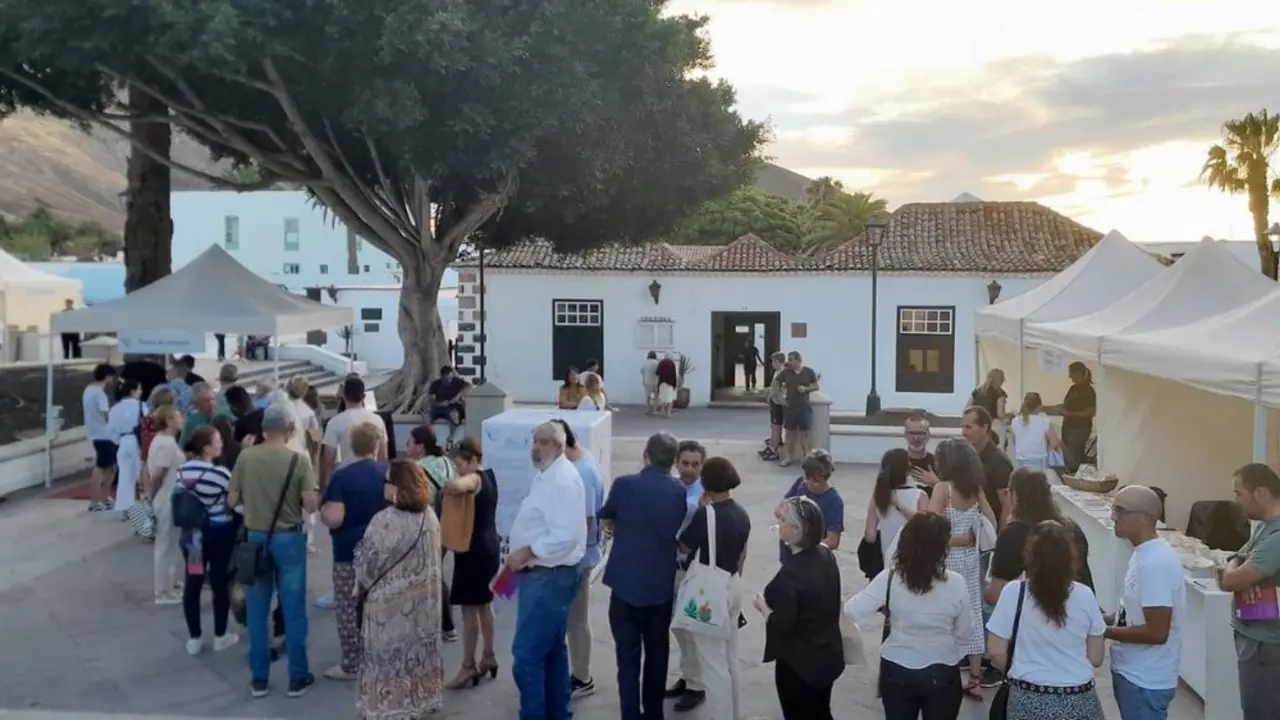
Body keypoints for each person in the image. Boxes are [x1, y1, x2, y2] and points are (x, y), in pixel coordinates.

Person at [226, 403, 320, 698]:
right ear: (290, 430)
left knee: (256, 609)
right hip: (289, 539)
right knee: (293, 610)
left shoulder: (246, 457)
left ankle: (259, 679)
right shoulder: (298, 460)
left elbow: (231, 501)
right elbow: (310, 505)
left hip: (255, 539)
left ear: (264, 430)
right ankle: (297, 677)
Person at [846, 513, 972, 720]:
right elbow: (965, 631)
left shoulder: (889, 578)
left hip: (897, 667)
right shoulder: (956, 583)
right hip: (941, 668)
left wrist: (887, 607)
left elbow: (852, 610)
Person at [599, 432, 687, 720]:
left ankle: (630, 714)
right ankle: (653, 713)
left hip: (625, 583)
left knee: (627, 659)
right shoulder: (678, 491)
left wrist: (613, 526)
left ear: (645, 455)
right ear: (673, 462)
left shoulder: (625, 485)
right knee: (657, 655)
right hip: (659, 585)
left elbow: (607, 514)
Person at [507, 422, 587, 720]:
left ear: (557, 445)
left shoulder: (562, 480)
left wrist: (528, 551)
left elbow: (566, 535)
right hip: (540, 575)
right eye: (534, 441)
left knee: (526, 656)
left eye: (541, 442)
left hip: (548, 577)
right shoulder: (549, 474)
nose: (534, 447)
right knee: (551, 652)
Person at [988, 521, 1107, 719]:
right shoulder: (1085, 595)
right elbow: (1096, 657)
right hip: (1079, 699)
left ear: (1029, 556)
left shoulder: (1014, 593)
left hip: (1028, 697)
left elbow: (996, 652)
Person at [354, 459, 445, 718]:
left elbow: (365, 563)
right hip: (424, 604)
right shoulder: (430, 515)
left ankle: (390, 704)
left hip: (388, 608)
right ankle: (422, 699)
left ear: (396, 487)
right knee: (418, 654)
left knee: (389, 659)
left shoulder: (384, 520)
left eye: (387, 480)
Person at [677, 456, 751, 720]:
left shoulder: (705, 514)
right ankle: (734, 713)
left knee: (711, 663)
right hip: (732, 585)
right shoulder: (741, 513)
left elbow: (684, 546)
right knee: (730, 660)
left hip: (708, 592)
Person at [925, 438, 998, 699]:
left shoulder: (943, 488)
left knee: (944, 615)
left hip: (947, 561)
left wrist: (959, 539)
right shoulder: (976, 489)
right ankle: (975, 678)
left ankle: (944, 673)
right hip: (970, 561)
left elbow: (932, 530)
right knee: (973, 613)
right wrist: (972, 539)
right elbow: (991, 523)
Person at [1104, 485, 1184, 720]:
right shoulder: (1142, 554)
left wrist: (1103, 630)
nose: (1113, 517)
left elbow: (1157, 631)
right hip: (1133, 674)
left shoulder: (1155, 564)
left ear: (1147, 518)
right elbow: (1131, 613)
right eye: (1113, 509)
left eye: (1121, 510)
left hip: (1145, 680)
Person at [759, 496, 843, 719]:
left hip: (800, 666)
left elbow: (783, 625)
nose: (779, 521)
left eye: (784, 519)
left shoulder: (791, 575)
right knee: (821, 711)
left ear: (795, 529)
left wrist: (764, 608)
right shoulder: (825, 555)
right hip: (827, 655)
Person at [319, 422, 389, 681]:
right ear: (376, 444)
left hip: (349, 551)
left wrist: (323, 513)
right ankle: (380, 656)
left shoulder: (342, 477)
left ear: (352, 445)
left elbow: (335, 517)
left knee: (348, 607)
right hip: (383, 552)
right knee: (380, 605)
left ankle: (351, 662)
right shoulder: (388, 472)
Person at [1218, 463, 1280, 720]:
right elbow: (1235, 560)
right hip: (1256, 635)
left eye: (1239, 493)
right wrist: (1239, 564)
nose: (1236, 501)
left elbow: (1228, 581)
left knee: (1261, 711)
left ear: (1261, 493)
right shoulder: (1266, 528)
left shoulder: (1276, 536)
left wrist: (1238, 571)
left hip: (1266, 643)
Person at [550, 420, 606, 699]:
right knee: (575, 619)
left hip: (578, 557)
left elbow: (584, 519)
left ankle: (582, 676)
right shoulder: (585, 460)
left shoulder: (580, 471)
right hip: (582, 553)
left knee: (577, 620)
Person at [986, 468, 1095, 607]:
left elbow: (995, 595)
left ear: (1014, 496)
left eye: (1008, 492)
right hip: (1079, 608)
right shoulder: (1071, 528)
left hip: (1041, 612)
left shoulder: (1012, 535)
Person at [442, 438, 501, 689]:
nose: (459, 470)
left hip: (473, 553)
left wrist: (446, 481)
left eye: (460, 465)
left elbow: (458, 485)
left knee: (469, 611)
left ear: (474, 460)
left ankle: (468, 665)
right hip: (489, 547)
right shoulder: (490, 476)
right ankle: (488, 655)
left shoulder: (475, 478)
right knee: (485, 606)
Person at [176, 425, 240, 655]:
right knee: (219, 581)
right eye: (217, 441)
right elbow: (235, 498)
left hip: (193, 536)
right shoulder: (220, 473)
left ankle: (194, 638)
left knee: (193, 582)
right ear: (207, 448)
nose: (221, 445)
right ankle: (220, 636)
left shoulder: (181, 472)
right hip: (219, 533)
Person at [407, 424, 460, 643]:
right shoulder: (447, 462)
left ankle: (443, 625)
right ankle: (445, 625)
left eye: (409, 443)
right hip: (448, 525)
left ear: (420, 447)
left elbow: (421, 500)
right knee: (434, 572)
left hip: (427, 528)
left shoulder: (417, 469)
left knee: (427, 575)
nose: (406, 447)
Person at [666, 440, 707, 710]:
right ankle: (688, 675)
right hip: (671, 567)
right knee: (679, 627)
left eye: (695, 464)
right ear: (676, 462)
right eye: (685, 463)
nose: (689, 469)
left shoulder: (703, 495)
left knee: (691, 627)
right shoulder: (671, 486)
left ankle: (697, 685)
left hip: (692, 568)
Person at [146, 406, 187, 603]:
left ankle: (167, 585)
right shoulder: (167, 445)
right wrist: (151, 497)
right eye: (178, 417)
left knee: (168, 543)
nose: (181, 420)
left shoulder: (163, 441)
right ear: (169, 421)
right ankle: (162, 591)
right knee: (166, 544)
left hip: (166, 496)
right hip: (166, 498)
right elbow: (157, 475)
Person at [865, 448, 927, 569]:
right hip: (916, 561)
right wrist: (899, 505)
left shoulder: (878, 497)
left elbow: (870, 536)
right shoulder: (919, 495)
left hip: (887, 561)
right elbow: (925, 524)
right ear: (907, 471)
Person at [779, 449, 844, 562]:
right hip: (789, 553)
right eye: (809, 479)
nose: (811, 484)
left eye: (817, 481)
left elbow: (833, 540)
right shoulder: (800, 484)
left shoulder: (834, 501)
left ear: (826, 477)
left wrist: (805, 548)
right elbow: (780, 509)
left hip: (813, 559)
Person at [106, 377, 147, 520]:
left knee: (125, 475)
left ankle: (125, 508)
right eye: (139, 389)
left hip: (123, 441)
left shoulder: (115, 408)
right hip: (138, 441)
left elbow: (110, 430)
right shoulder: (142, 406)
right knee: (141, 475)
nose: (141, 391)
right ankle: (143, 506)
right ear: (133, 391)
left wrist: (119, 440)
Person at [1049, 361, 1096, 473]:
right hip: (1068, 427)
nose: (1070, 376)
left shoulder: (1088, 391)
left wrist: (1070, 414)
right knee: (1067, 455)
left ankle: (1074, 476)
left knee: (1074, 459)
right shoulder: (1073, 388)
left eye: (1072, 374)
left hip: (1079, 429)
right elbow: (1066, 406)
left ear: (1079, 372)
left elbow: (1091, 412)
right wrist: (1046, 409)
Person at [83, 363, 117, 512]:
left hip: (95, 432)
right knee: (102, 467)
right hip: (105, 434)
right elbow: (107, 416)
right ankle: (96, 500)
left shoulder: (88, 390)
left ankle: (104, 497)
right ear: (107, 377)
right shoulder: (100, 394)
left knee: (110, 467)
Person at [776, 351, 819, 466]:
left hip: (804, 407)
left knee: (805, 434)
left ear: (798, 360)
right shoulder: (786, 372)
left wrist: (805, 389)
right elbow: (776, 383)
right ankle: (787, 457)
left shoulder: (808, 372)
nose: (788, 362)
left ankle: (807, 458)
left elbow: (816, 386)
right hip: (790, 407)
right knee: (789, 433)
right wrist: (780, 397)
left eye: (791, 359)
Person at [1008, 392, 1061, 469]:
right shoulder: (1044, 421)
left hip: (1020, 459)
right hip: (1039, 459)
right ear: (1039, 407)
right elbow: (1055, 443)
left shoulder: (1015, 421)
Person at [426, 366, 471, 444]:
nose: (449, 380)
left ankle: (451, 437)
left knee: (454, 416)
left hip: (453, 407)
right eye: (446, 379)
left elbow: (469, 386)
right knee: (425, 415)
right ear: (442, 377)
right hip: (439, 407)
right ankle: (430, 435)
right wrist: (440, 404)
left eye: (450, 377)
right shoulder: (436, 384)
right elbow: (431, 400)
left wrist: (458, 396)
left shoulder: (456, 381)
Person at [181, 382, 230, 447]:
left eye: (212, 399)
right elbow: (184, 446)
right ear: (197, 403)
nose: (211, 403)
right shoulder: (191, 421)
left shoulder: (226, 412)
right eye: (206, 401)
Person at [760, 352, 788, 462]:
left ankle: (774, 449)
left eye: (773, 361)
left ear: (777, 362)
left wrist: (769, 396)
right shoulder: (777, 372)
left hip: (777, 403)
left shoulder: (781, 373)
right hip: (775, 402)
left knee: (776, 427)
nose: (772, 364)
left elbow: (776, 389)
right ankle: (774, 444)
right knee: (774, 426)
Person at [969, 368, 1008, 444]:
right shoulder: (1000, 393)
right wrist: (1009, 415)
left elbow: (969, 407)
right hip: (994, 426)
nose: (1004, 380)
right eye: (1002, 378)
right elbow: (1000, 414)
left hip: (978, 425)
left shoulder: (977, 391)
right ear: (999, 379)